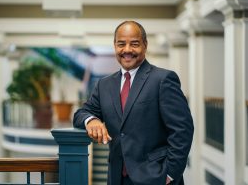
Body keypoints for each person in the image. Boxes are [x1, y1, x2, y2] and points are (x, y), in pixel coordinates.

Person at [73, 21, 194, 185]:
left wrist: (170, 174)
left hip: (156, 178)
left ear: (145, 45)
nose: (127, 50)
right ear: (115, 46)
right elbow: (80, 114)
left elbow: (182, 130)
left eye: (134, 44)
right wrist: (91, 120)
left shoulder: (163, 79)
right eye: (121, 44)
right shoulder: (104, 85)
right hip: (117, 178)